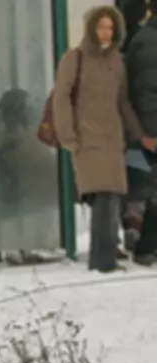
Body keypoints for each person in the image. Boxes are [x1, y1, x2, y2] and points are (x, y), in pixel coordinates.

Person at [53, 5, 154, 272]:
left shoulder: (116, 62)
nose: (106, 33)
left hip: (113, 138)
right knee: (103, 196)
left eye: (110, 28)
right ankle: (103, 260)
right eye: (101, 27)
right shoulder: (75, 58)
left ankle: (103, 256)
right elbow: (61, 97)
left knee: (111, 197)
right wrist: (68, 136)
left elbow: (122, 103)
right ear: (91, 29)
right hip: (86, 137)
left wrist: (140, 134)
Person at [125, 0, 157, 264]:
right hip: (151, 127)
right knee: (150, 189)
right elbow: (146, 90)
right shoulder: (149, 41)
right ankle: (146, 247)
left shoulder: (146, 37)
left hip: (148, 124)